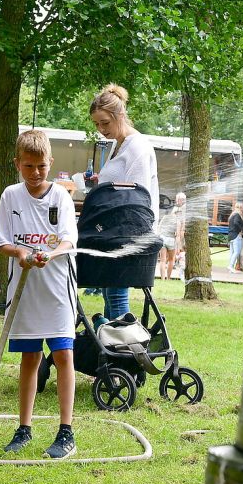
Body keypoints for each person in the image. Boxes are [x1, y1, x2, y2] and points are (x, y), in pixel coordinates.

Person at [0, 130, 78, 460]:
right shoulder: (10, 196)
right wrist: (22, 254)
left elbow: (68, 241)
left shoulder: (62, 197)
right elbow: (2, 242)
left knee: (63, 356)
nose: (36, 173)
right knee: (29, 358)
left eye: (41, 166)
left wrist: (48, 255)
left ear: (50, 163)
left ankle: (65, 432)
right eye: (28, 166)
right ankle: (24, 428)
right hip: (24, 289)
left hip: (57, 289)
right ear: (17, 164)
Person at [87, 84, 159, 320]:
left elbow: (136, 198)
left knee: (116, 294)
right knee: (110, 293)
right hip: (113, 233)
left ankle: (124, 351)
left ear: (120, 115)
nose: (100, 129)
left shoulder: (137, 147)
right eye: (97, 124)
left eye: (105, 123)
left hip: (128, 234)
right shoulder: (118, 145)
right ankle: (110, 349)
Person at [157, 204, 181, 280]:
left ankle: (162, 278)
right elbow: (177, 235)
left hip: (162, 239)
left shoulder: (165, 217)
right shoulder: (178, 221)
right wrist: (178, 247)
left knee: (162, 260)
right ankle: (168, 278)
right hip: (171, 240)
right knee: (171, 260)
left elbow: (159, 228)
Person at [227, 202, 243, 273]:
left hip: (231, 236)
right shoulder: (237, 215)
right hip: (236, 235)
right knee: (237, 252)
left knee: (232, 252)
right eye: (242, 207)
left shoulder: (232, 215)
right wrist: (240, 230)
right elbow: (236, 223)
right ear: (240, 208)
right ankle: (231, 266)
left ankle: (230, 269)